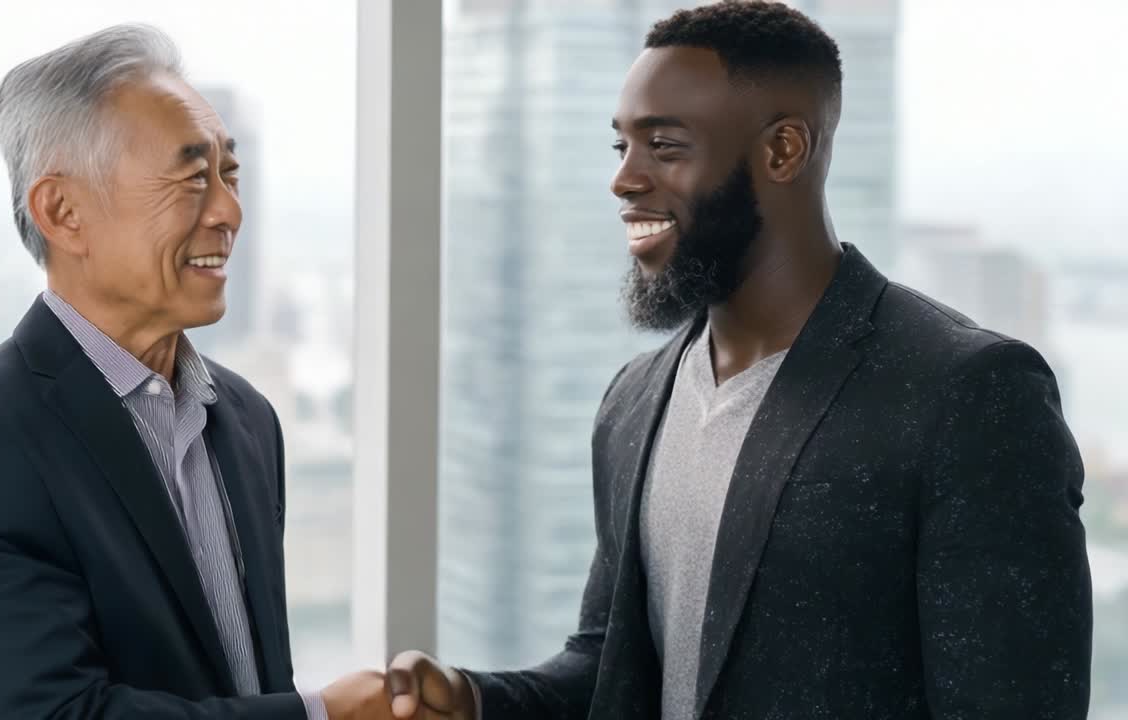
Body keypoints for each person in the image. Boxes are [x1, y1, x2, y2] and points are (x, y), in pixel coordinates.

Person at [386, 2, 1094, 718]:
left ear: (783, 150)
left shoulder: (968, 395)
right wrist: (472, 699)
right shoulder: (634, 399)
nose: (624, 180)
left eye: (664, 146)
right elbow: (612, 669)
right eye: (621, 148)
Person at [0, 25, 392, 720]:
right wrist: (320, 715)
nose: (229, 211)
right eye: (191, 177)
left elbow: (247, 680)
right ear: (63, 212)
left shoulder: (248, 418)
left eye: (229, 173)